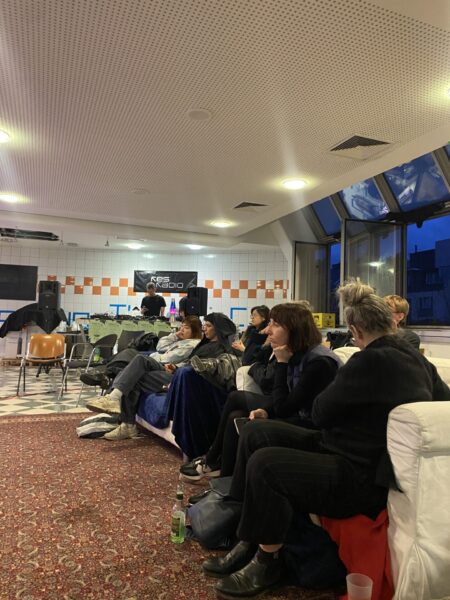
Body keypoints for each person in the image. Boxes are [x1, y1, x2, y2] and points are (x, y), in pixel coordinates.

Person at [204, 281, 450, 598]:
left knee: (266, 464)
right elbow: (442, 403)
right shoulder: (418, 360)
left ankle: (267, 561)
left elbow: (320, 412)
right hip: (348, 449)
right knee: (257, 432)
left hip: (358, 473)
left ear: (355, 331)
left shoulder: (366, 361)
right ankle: (247, 534)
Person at [180, 302, 341, 481]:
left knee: (244, 416)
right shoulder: (293, 351)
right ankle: (222, 480)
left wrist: (281, 363)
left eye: (275, 325)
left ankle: (213, 463)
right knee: (236, 416)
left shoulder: (318, 362)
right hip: (295, 413)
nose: (268, 330)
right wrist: (265, 410)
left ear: (295, 330)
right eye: (269, 323)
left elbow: (284, 408)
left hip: (315, 429)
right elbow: (256, 366)